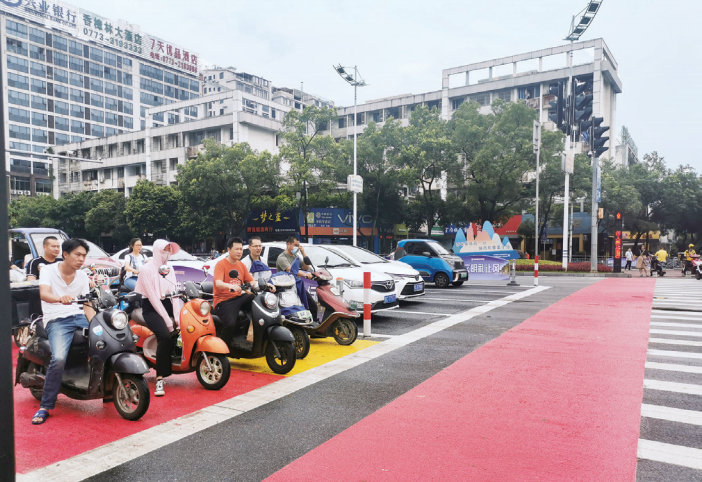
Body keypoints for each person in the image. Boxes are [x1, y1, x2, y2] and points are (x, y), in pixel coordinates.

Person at [31, 239, 95, 425]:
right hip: (56, 319)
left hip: (79, 316)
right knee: (58, 358)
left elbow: (87, 304)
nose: (81, 259)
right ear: (65, 254)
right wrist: (60, 299)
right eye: (78, 254)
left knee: (104, 342)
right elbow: (44, 294)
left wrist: (95, 325)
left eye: (84, 256)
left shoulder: (82, 275)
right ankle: (45, 405)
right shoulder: (48, 270)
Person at [134, 239, 183, 397]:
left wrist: (177, 316)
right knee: (164, 335)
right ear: (157, 250)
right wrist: (168, 321)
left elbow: (175, 294)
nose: (167, 253)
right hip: (151, 307)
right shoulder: (146, 269)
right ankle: (160, 378)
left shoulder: (169, 268)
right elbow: (153, 298)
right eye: (164, 250)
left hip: (167, 303)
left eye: (169, 250)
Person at [212, 237, 257, 347]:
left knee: (256, 299)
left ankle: (251, 338)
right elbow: (218, 283)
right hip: (223, 301)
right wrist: (230, 286)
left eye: (241, 249)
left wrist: (264, 284)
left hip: (238, 297)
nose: (239, 252)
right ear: (228, 249)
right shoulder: (221, 264)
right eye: (236, 249)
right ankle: (222, 348)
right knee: (230, 324)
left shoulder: (241, 265)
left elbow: (251, 281)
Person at [276, 236, 318, 323]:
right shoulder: (282, 258)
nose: (297, 247)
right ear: (288, 244)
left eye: (298, 245)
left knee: (312, 305)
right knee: (296, 310)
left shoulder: (295, 256)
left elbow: (306, 267)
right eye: (295, 245)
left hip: (298, 286)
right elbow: (290, 270)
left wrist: (303, 253)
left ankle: (313, 324)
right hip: (287, 289)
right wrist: (305, 274)